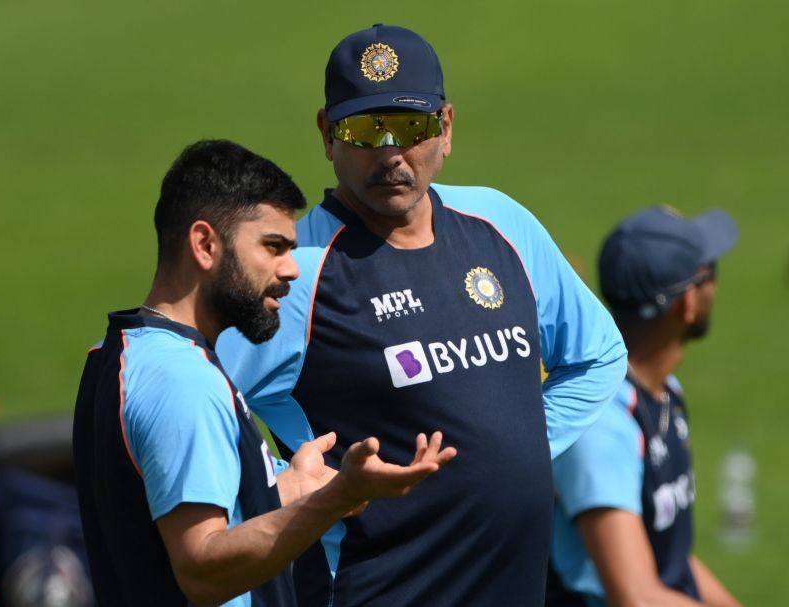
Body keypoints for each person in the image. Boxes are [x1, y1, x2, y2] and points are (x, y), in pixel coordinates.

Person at [217, 24, 628, 606]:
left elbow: (598, 355)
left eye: (410, 127)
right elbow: (198, 405)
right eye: (364, 130)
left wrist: (517, 447)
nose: (390, 152)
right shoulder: (298, 271)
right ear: (328, 134)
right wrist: (268, 496)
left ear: (447, 127)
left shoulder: (500, 224)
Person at [72, 139, 456, 607]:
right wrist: (334, 501)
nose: (292, 270)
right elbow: (203, 570)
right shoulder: (183, 381)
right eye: (273, 247)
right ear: (205, 244)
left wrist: (290, 486)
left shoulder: (117, 354)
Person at [547, 206, 743, 606]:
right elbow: (636, 597)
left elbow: (669, 557)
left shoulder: (663, 390)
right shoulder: (602, 424)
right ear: (686, 303)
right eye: (711, 274)